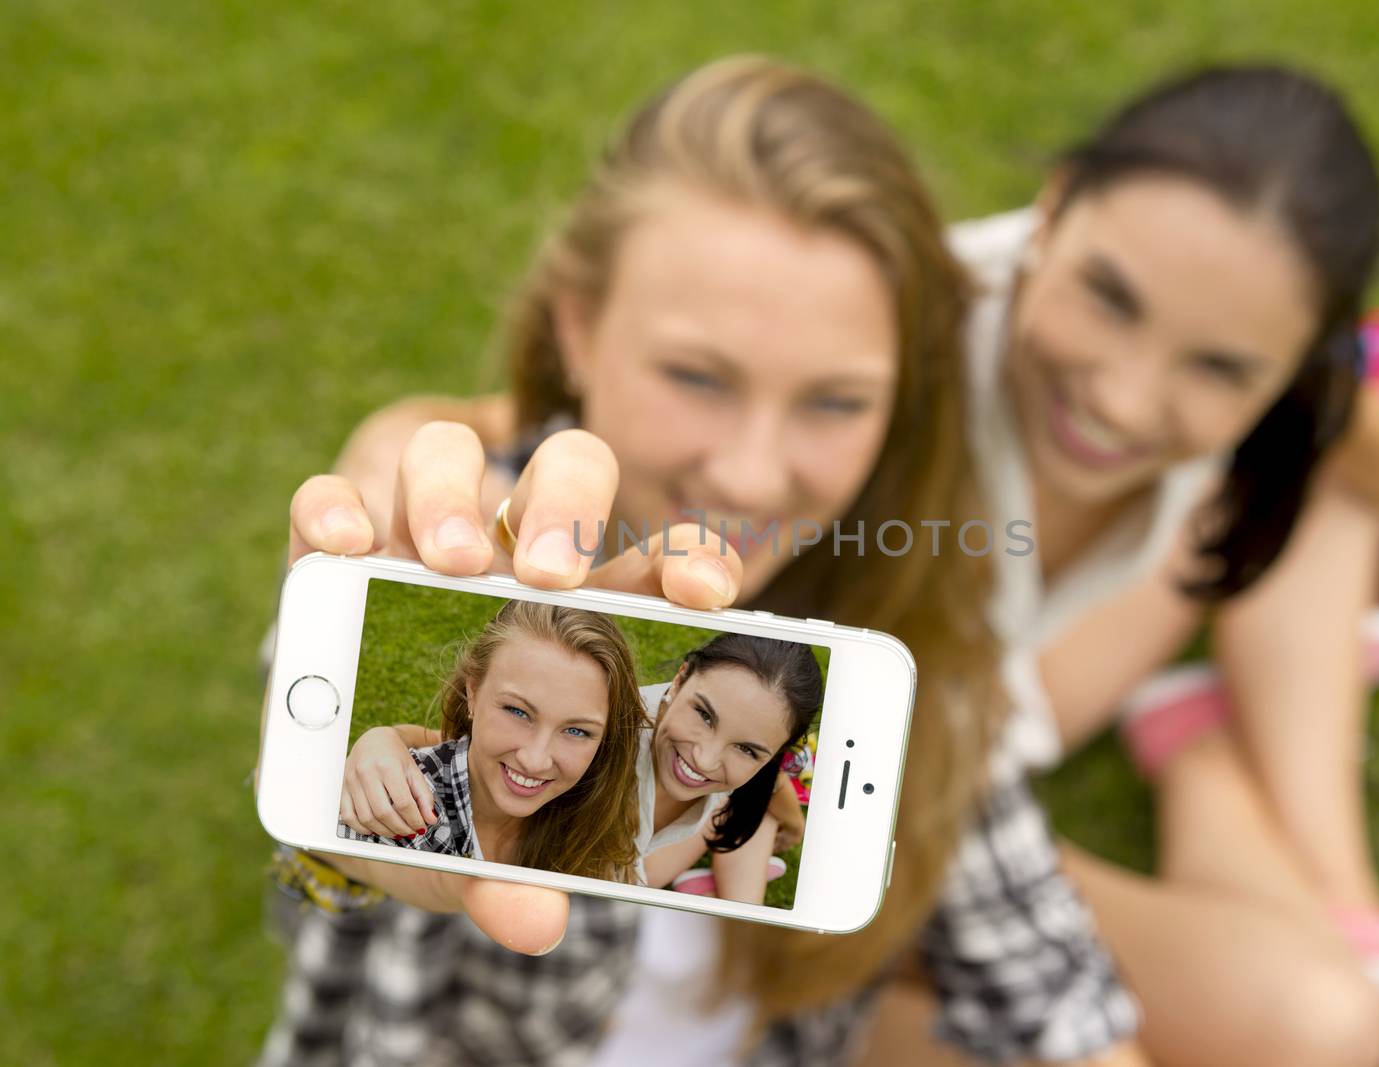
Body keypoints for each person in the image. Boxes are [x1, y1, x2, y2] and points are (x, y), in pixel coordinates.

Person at [260, 56, 1144, 1067]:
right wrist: (348, 832)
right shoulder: (448, 541)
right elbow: (336, 887)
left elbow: (1044, 978)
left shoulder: (892, 619)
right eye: (695, 374)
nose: (754, 475)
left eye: (835, 399)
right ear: (579, 325)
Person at [869, 64, 1379, 1067]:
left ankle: (1282, 833)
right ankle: (1248, 804)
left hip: (983, 737)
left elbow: (1346, 417)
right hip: (861, 833)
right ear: (1053, 203)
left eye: (1219, 364)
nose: (1121, 394)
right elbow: (876, 806)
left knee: (1326, 1028)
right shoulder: (877, 375)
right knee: (1311, 1033)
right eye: (1109, 297)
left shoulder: (1255, 373)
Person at [340, 631, 823, 903]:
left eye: (749, 749)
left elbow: (768, 777)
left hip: (690, 822)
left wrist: (792, 821)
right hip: (624, 874)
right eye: (703, 714)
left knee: (743, 852)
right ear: (680, 679)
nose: (704, 757)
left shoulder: (743, 766)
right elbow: (465, 751)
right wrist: (382, 740)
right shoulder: (600, 730)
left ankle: (735, 890)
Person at [335, 600, 645, 885]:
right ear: (473, 692)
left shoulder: (597, 813)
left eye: (576, 731)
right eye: (517, 711)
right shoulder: (389, 810)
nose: (535, 760)